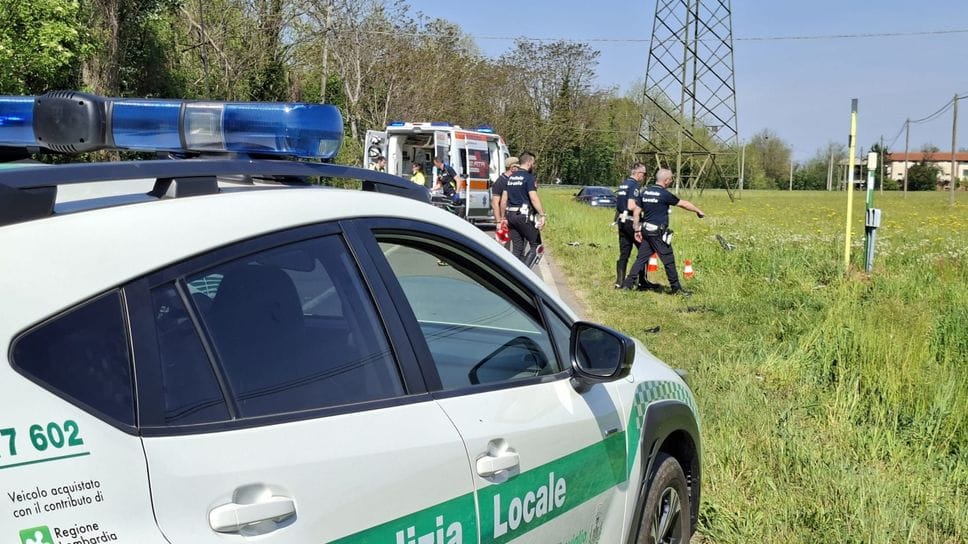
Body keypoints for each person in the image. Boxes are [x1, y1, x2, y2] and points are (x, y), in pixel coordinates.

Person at [621, 168, 705, 296]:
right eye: (671, 179)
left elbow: (637, 211)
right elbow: (683, 204)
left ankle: (627, 284)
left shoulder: (645, 192)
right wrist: (698, 211)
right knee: (668, 260)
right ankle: (676, 289)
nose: (671, 181)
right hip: (657, 233)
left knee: (641, 259)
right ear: (666, 180)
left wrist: (637, 228)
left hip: (646, 230)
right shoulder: (664, 194)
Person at [500, 153, 546, 266]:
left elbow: (504, 200)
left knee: (517, 248)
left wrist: (503, 217)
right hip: (523, 216)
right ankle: (525, 272)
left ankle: (512, 272)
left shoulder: (511, 178)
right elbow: (533, 198)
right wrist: (542, 215)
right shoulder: (529, 178)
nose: (534, 166)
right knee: (537, 246)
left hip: (511, 216)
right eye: (533, 163)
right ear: (529, 163)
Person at [614, 162, 652, 290]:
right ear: (639, 173)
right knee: (645, 250)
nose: (644, 177)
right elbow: (631, 205)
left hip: (622, 221)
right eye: (644, 174)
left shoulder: (623, 184)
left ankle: (619, 282)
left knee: (624, 253)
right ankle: (641, 281)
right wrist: (643, 208)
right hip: (631, 221)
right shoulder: (634, 186)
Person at [491, 156, 518, 249]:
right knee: (503, 244)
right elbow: (495, 203)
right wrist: (499, 221)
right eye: (517, 166)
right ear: (512, 167)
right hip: (504, 217)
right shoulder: (500, 181)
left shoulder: (516, 179)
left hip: (514, 215)